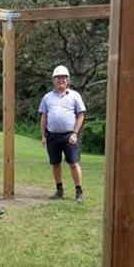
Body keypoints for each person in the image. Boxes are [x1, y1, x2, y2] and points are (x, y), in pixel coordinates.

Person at [39, 65, 86, 203]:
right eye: (58, 78)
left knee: (73, 163)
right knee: (55, 163)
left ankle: (78, 191)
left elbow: (81, 115)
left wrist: (75, 133)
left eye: (64, 77)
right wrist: (43, 136)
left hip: (69, 136)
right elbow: (44, 117)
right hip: (52, 136)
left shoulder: (74, 95)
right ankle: (59, 190)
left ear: (68, 80)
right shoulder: (47, 97)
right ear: (54, 80)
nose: (61, 80)